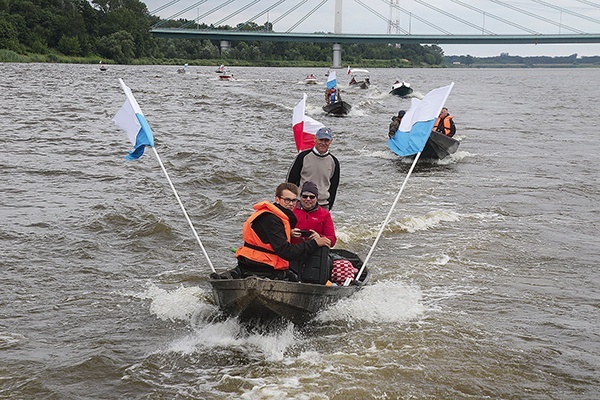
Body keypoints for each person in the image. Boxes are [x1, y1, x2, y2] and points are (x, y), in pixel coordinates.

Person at [232, 182, 331, 280]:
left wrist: (289, 233)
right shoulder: (272, 219)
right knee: (294, 278)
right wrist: (315, 243)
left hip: (252, 261)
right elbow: (286, 251)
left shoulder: (275, 215)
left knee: (293, 276)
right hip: (260, 265)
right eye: (287, 200)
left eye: (294, 200)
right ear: (277, 199)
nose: (291, 204)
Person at [287, 127, 340, 211]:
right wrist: (291, 201)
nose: (323, 143)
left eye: (326, 140)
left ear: (330, 142)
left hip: (322, 205)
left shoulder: (334, 161)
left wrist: (329, 205)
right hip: (301, 203)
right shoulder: (303, 157)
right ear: (315, 139)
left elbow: (334, 186)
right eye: (321, 140)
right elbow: (291, 180)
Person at [291, 181, 337, 247]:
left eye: (312, 197)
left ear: (317, 198)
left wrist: (319, 237)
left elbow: (332, 241)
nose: (308, 199)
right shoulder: (292, 210)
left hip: (315, 250)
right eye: (305, 196)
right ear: (300, 197)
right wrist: (290, 233)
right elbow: (279, 233)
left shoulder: (325, 215)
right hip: (293, 249)